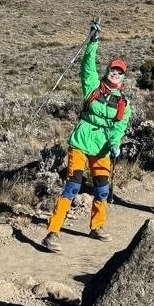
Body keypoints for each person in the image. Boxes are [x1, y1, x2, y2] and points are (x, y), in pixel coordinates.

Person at [43, 21, 131, 252]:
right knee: (72, 186)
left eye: (120, 72)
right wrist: (93, 42)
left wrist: (115, 143)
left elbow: (119, 127)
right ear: (107, 71)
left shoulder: (124, 103)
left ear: (123, 77)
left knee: (102, 189)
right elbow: (87, 66)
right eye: (113, 70)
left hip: (102, 148)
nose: (115, 74)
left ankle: (97, 226)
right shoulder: (93, 86)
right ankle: (53, 232)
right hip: (81, 141)